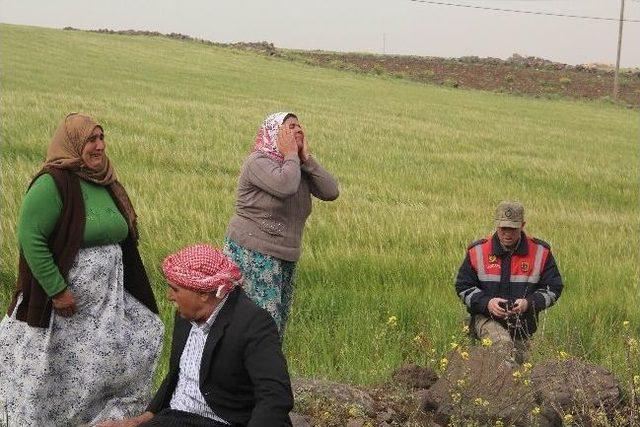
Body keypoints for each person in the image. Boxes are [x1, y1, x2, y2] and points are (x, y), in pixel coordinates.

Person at [0, 113, 164, 425]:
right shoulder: (53, 183)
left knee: (143, 335)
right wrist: (57, 290)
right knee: (52, 366)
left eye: (101, 138)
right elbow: (31, 238)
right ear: (73, 143)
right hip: (67, 303)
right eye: (91, 139)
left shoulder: (104, 180)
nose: (99, 145)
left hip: (107, 299)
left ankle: (104, 419)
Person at [102, 244, 294, 427]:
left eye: (175, 289)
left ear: (203, 293)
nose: (169, 296)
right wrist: (139, 420)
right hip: (174, 418)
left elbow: (275, 396)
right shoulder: (185, 316)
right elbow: (176, 376)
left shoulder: (252, 323)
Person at [224, 112, 339, 334]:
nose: (298, 130)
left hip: (285, 255)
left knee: (277, 323)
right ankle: (251, 367)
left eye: (299, 126)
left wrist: (308, 160)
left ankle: (265, 367)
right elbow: (285, 186)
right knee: (261, 323)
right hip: (253, 252)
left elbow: (331, 191)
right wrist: (291, 157)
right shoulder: (257, 162)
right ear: (274, 133)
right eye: (290, 127)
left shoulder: (297, 167)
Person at [455, 201, 563, 362]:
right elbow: (463, 286)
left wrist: (529, 303)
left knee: (521, 369)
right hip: (485, 318)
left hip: (522, 325)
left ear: (523, 225)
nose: (507, 233)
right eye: (503, 228)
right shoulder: (477, 251)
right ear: (496, 224)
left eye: (513, 228)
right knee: (502, 345)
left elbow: (553, 288)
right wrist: (487, 303)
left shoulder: (541, 251)